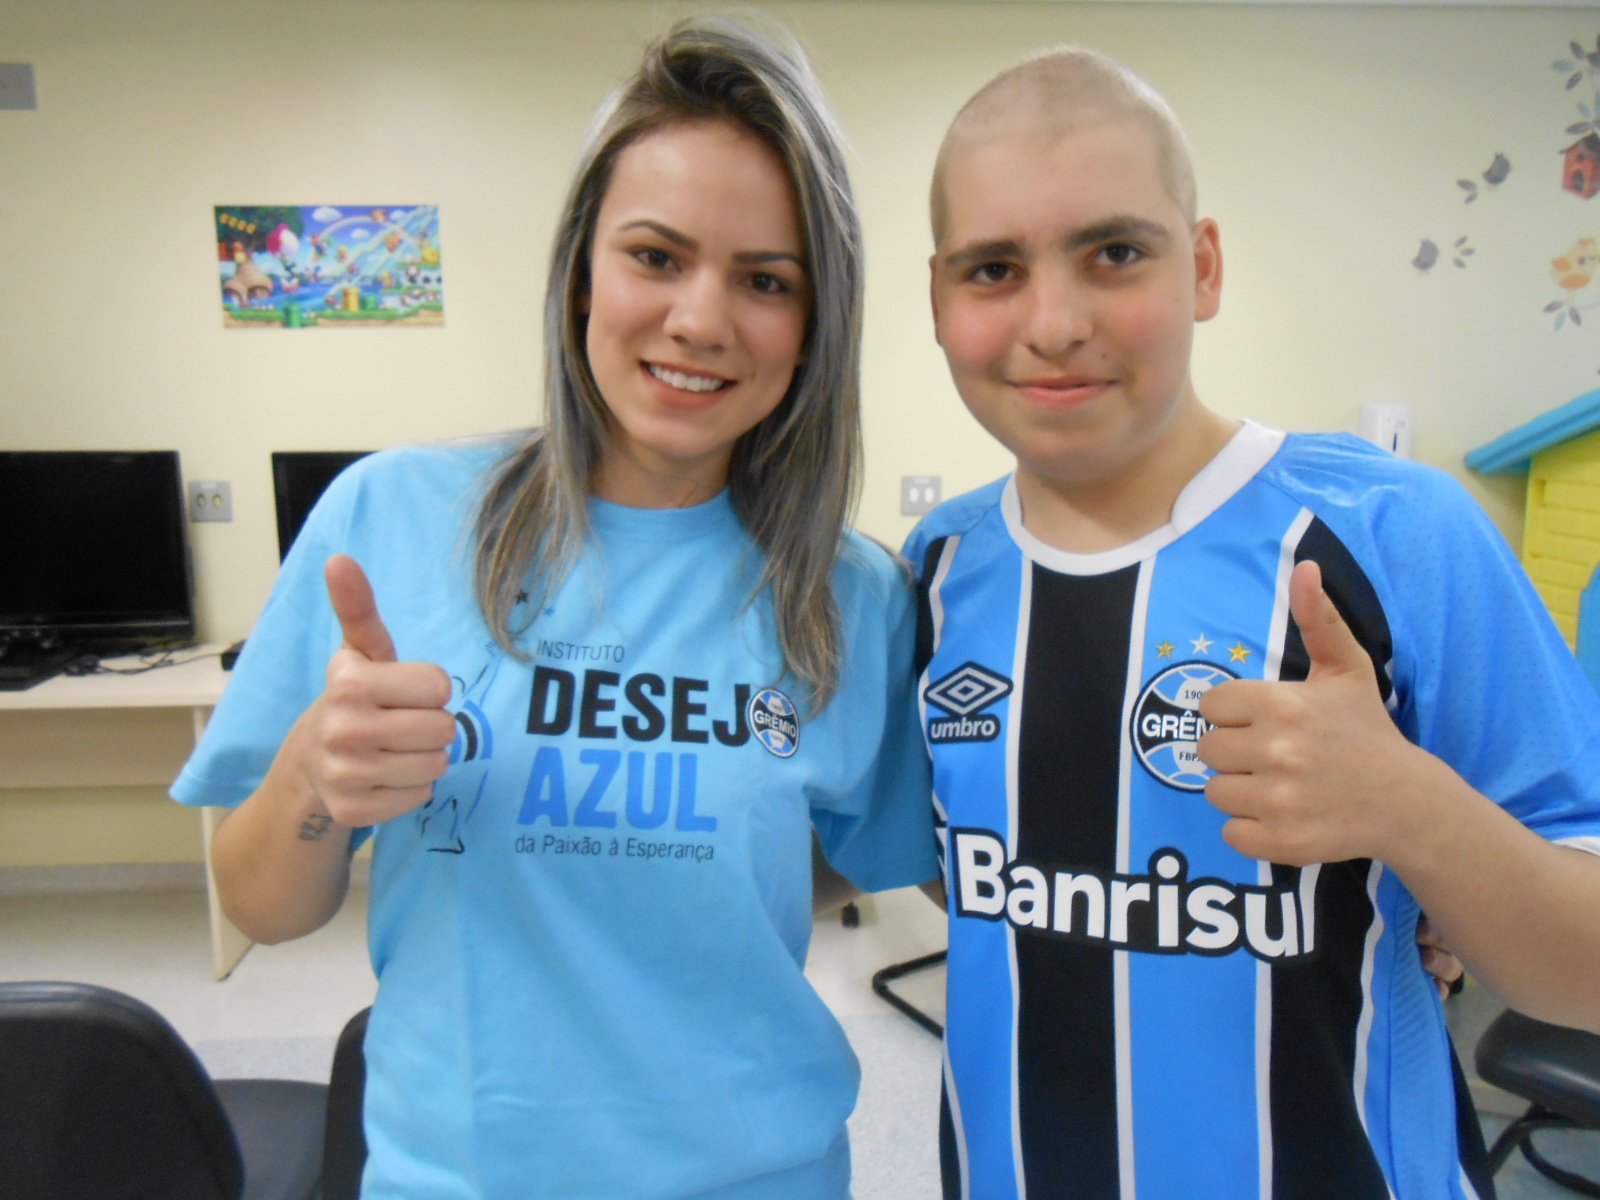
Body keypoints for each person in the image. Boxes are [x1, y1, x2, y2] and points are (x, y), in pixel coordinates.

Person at [170, 18, 935, 1199]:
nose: (699, 319)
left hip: (761, 1173)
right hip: (457, 1175)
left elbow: (880, 861)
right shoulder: (391, 520)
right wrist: (313, 781)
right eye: (655, 256)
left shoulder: (850, 594)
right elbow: (260, 904)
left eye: (765, 281)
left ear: (814, 324)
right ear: (583, 269)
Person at [907, 46, 1600, 1199]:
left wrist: (1412, 811)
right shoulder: (931, 573)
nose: (1056, 320)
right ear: (938, 299)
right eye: (992, 269)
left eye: (1114, 251)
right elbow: (951, 868)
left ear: (1205, 266)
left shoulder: (1392, 533)